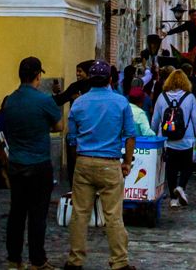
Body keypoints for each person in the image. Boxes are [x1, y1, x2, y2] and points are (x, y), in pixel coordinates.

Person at [62, 60, 136, 270]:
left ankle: (75, 260)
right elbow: (130, 135)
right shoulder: (121, 103)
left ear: (90, 80)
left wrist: (78, 159)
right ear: (110, 80)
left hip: (84, 161)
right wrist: (127, 162)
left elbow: (72, 137)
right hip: (109, 162)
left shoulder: (79, 103)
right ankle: (119, 261)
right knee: (113, 215)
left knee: (80, 213)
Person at [0, 56, 62, 270]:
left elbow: (4, 125)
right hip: (39, 163)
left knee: (16, 213)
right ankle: (37, 260)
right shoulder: (44, 101)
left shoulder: (10, 100)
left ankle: (13, 259)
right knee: (37, 214)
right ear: (37, 75)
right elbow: (59, 125)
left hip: (16, 162)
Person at [149, 68, 196, 207]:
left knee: (170, 168)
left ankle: (173, 199)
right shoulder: (190, 97)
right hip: (186, 139)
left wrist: (152, 135)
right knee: (187, 166)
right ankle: (181, 187)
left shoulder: (162, 96)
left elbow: (155, 119)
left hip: (167, 139)